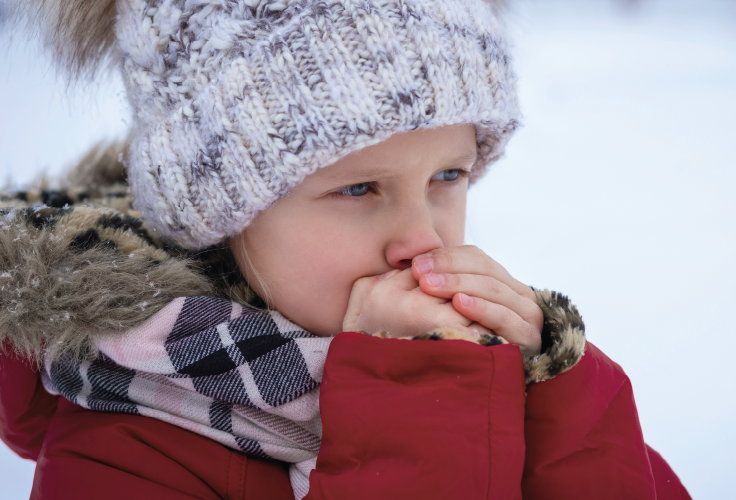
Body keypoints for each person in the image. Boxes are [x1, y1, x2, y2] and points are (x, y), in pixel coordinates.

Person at [0, 0, 691, 498]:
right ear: (223, 215)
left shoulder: (496, 366)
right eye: (360, 188)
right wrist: (411, 403)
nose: (422, 238)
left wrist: (555, 402)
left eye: (448, 176)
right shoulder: (121, 452)